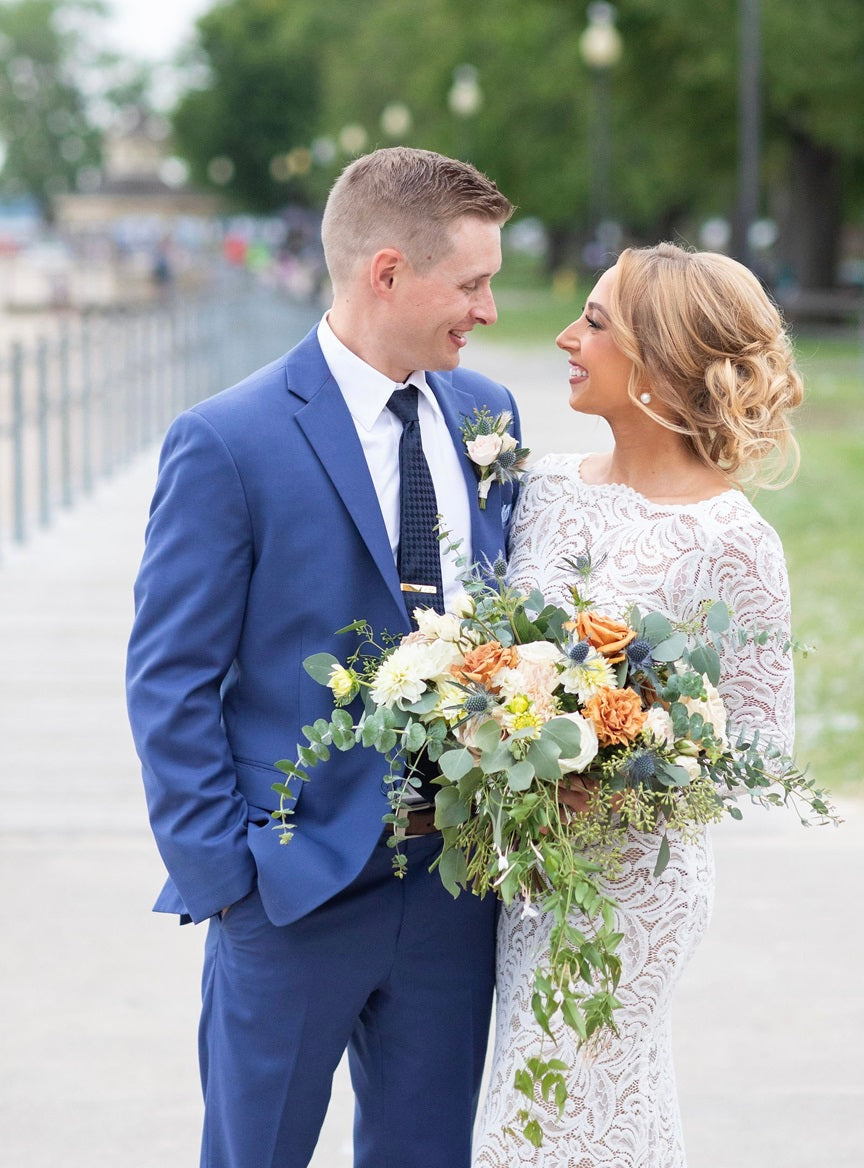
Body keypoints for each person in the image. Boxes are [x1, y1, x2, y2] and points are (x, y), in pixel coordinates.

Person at [125, 147, 519, 1168]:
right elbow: (170, 678)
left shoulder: (488, 418)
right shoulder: (228, 439)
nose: (488, 308)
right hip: (289, 891)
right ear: (387, 272)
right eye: (471, 282)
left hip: (453, 889)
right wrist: (227, 877)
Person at [473, 242, 802, 1168]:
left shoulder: (734, 543)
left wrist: (614, 775)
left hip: (632, 892)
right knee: (558, 1108)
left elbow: (760, 753)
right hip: (523, 880)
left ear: (656, 359)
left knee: (554, 1123)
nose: (567, 337)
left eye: (596, 322)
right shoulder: (538, 493)